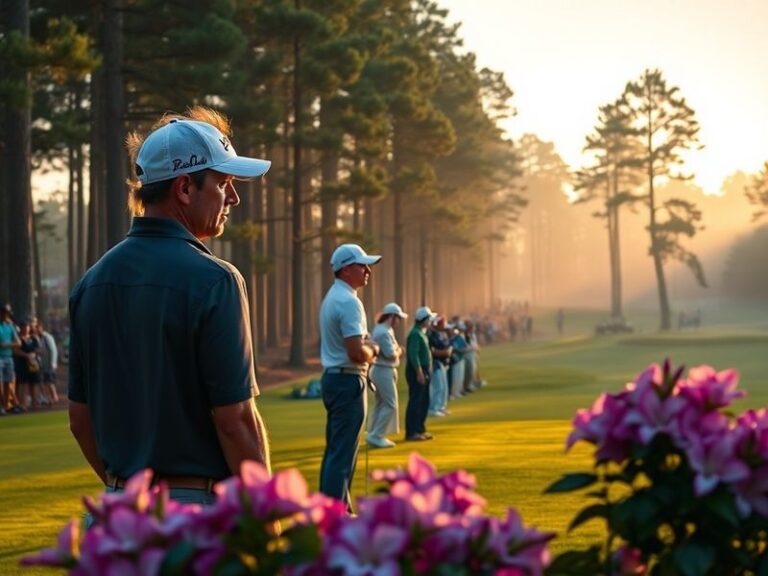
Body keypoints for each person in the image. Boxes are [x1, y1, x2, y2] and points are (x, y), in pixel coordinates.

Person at [68, 107, 272, 508]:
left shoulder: (91, 283)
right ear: (183, 188)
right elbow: (235, 422)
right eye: (224, 182)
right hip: (193, 518)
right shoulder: (216, 280)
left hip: (117, 515)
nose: (234, 197)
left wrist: (127, 490)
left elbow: (80, 420)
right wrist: (268, 521)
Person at [318, 243, 382, 512]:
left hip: (336, 378)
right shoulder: (348, 301)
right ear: (345, 270)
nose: (367, 270)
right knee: (342, 454)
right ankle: (336, 515)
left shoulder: (334, 296)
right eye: (361, 265)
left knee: (336, 451)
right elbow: (357, 352)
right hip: (347, 380)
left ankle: (334, 509)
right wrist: (374, 349)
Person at [366, 302, 407, 448]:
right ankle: (376, 435)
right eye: (398, 318)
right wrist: (400, 351)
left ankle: (372, 433)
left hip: (384, 369)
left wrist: (397, 350)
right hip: (383, 369)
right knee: (390, 404)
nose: (399, 321)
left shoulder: (385, 330)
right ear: (391, 316)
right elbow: (391, 354)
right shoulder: (383, 332)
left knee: (381, 403)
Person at [404, 306, 436, 441]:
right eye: (429, 319)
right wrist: (419, 372)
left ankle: (419, 429)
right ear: (424, 320)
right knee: (416, 401)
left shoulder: (421, 332)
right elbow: (413, 354)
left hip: (424, 369)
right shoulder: (415, 334)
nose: (430, 322)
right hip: (417, 370)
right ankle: (412, 432)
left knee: (424, 401)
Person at [427, 315, 452, 417]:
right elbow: (434, 351)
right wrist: (445, 352)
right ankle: (433, 408)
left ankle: (441, 406)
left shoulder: (440, 334)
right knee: (438, 386)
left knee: (444, 386)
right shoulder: (431, 335)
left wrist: (446, 351)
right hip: (435, 363)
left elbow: (446, 347)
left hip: (442, 363)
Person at [0, 305, 21, 415]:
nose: (6, 315)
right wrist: (11, 345)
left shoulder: (10, 326)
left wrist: (7, 345)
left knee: (8, 382)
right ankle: (1, 406)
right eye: (4, 313)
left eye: (7, 313)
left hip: (8, 357)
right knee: (0, 383)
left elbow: (18, 342)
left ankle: (6, 405)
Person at [36, 320, 59, 405]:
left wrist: (53, 364)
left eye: (37, 327)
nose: (36, 329)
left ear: (41, 327)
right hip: (43, 365)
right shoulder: (39, 338)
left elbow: (53, 350)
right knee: (45, 382)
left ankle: (54, 397)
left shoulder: (47, 337)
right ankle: (50, 398)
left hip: (49, 365)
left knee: (49, 382)